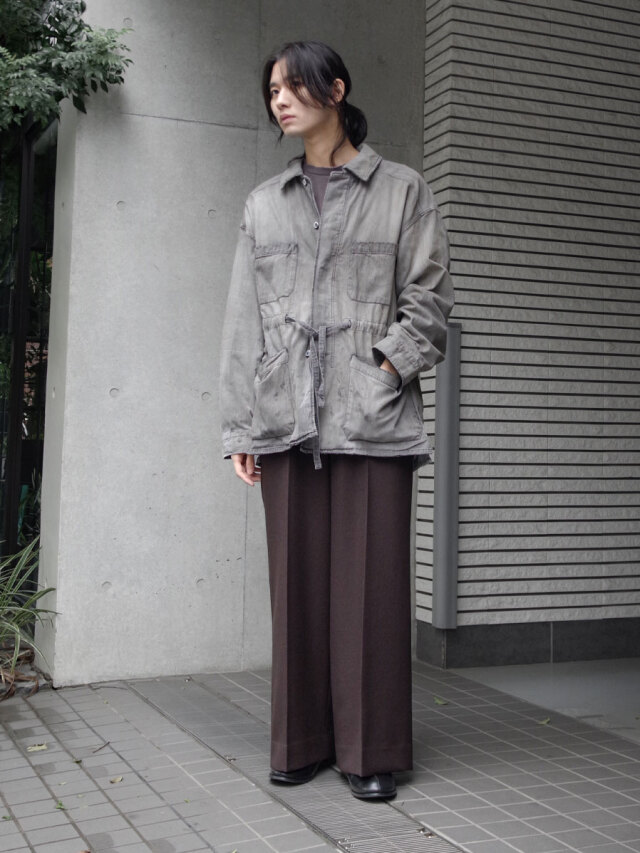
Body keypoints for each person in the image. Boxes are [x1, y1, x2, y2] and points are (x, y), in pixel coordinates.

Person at [219, 40, 454, 801]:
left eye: (293, 87)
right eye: (273, 91)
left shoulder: (403, 191)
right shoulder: (264, 203)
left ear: (337, 90)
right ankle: (301, 742)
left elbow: (429, 305)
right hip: (285, 417)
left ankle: (370, 750)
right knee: (296, 590)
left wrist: (384, 369)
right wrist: (240, 427)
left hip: (373, 421)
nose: (280, 100)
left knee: (371, 593)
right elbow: (243, 323)